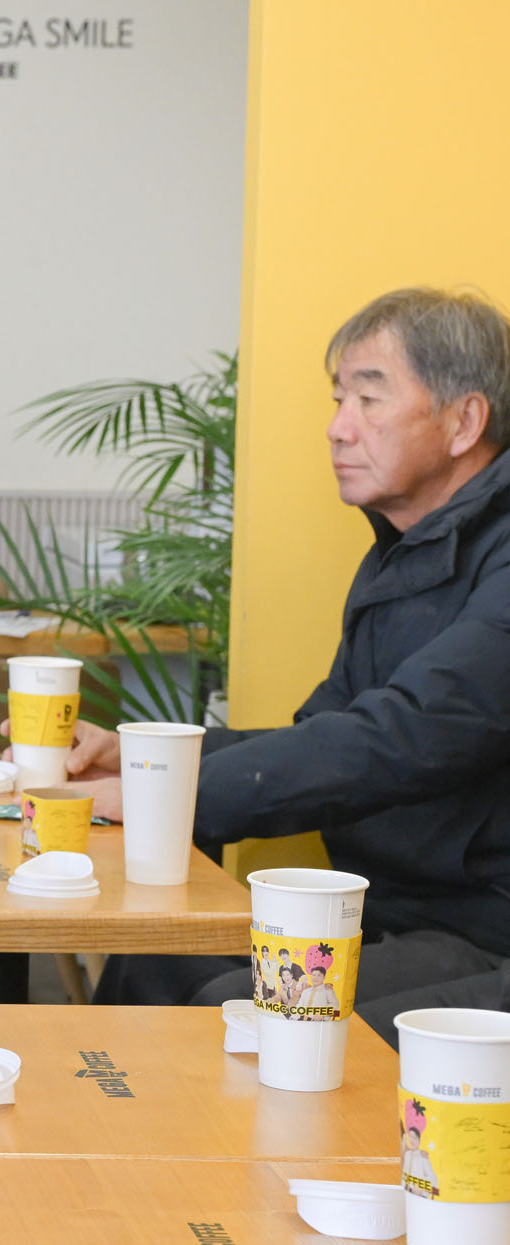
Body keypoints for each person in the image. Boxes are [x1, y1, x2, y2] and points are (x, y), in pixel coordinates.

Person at [43, 288, 510, 1037]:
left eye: (368, 399)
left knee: (231, 1020)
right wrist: (148, 763)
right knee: (153, 963)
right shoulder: (399, 556)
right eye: (338, 400)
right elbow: (326, 730)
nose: (337, 428)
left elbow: (413, 731)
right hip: (387, 914)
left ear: (465, 421)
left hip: (484, 936)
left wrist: (173, 798)